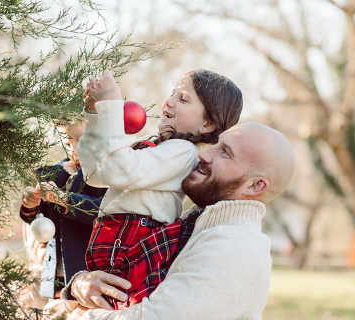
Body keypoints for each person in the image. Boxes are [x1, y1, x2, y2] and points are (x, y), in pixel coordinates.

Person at [62, 122, 296, 320]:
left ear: (255, 186)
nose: (204, 154)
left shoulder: (235, 246)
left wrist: (78, 316)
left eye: (225, 152)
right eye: (216, 144)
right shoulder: (192, 227)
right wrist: (79, 286)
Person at [77, 69, 243, 308]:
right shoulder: (156, 143)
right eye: (173, 93)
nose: (169, 101)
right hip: (112, 237)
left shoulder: (184, 152)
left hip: (133, 242)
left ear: (207, 123)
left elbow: (120, 170)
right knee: (104, 307)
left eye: (183, 99)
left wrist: (112, 104)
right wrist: (95, 115)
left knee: (122, 307)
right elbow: (96, 173)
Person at [19, 120, 107, 310]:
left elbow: (106, 212)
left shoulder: (107, 175)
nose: (74, 150)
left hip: (89, 272)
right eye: (68, 144)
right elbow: (39, 222)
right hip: (58, 271)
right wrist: (30, 205)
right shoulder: (55, 175)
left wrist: (66, 199)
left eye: (82, 142)